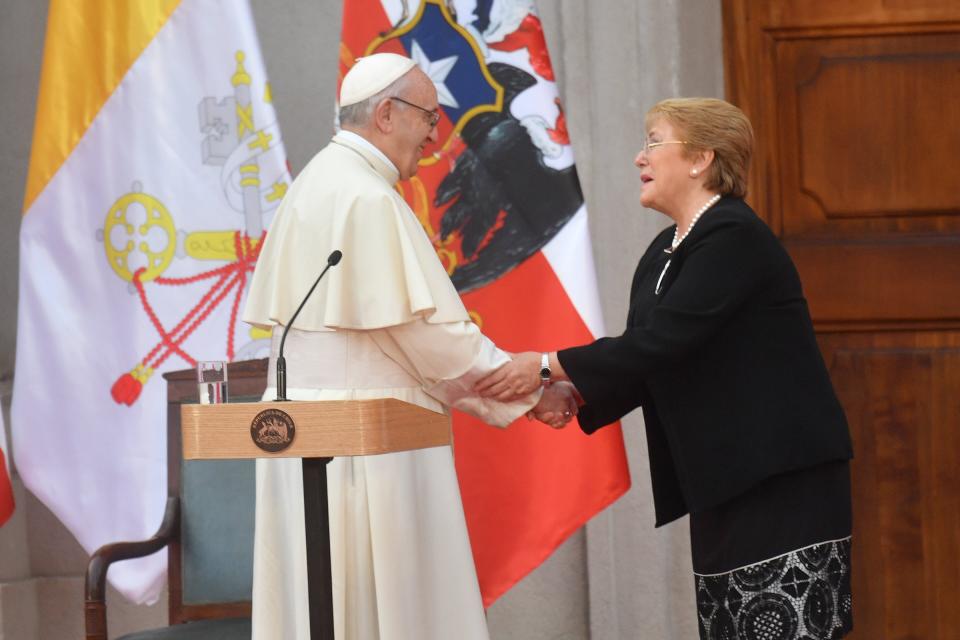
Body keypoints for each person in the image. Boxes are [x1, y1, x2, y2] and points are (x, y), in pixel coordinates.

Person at [477, 98, 854, 639]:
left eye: (655, 141)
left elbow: (663, 341)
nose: (639, 157)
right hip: (727, 479)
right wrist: (571, 394)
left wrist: (544, 365)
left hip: (781, 480)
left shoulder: (733, 236)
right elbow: (649, 352)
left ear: (701, 157)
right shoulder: (666, 249)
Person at [243, 53, 577, 640]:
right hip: (362, 453)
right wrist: (530, 390)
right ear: (387, 114)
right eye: (427, 116)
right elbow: (428, 338)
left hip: (306, 439)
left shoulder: (317, 182)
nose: (435, 134)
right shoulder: (367, 198)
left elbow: (394, 332)